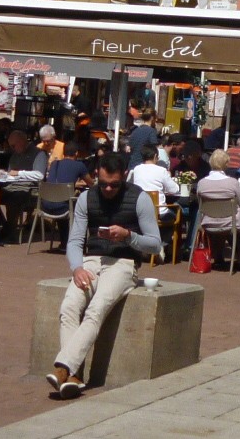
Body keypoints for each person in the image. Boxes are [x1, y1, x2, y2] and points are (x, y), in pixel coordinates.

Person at [48, 156, 163, 398]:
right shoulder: (86, 198)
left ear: (125, 176)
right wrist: (77, 268)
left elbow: (155, 244)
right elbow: (75, 241)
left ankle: (63, 367)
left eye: (114, 184)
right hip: (92, 260)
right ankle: (74, 376)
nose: (108, 189)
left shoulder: (139, 198)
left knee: (96, 308)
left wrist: (128, 236)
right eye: (103, 184)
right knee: (69, 307)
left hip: (124, 262)